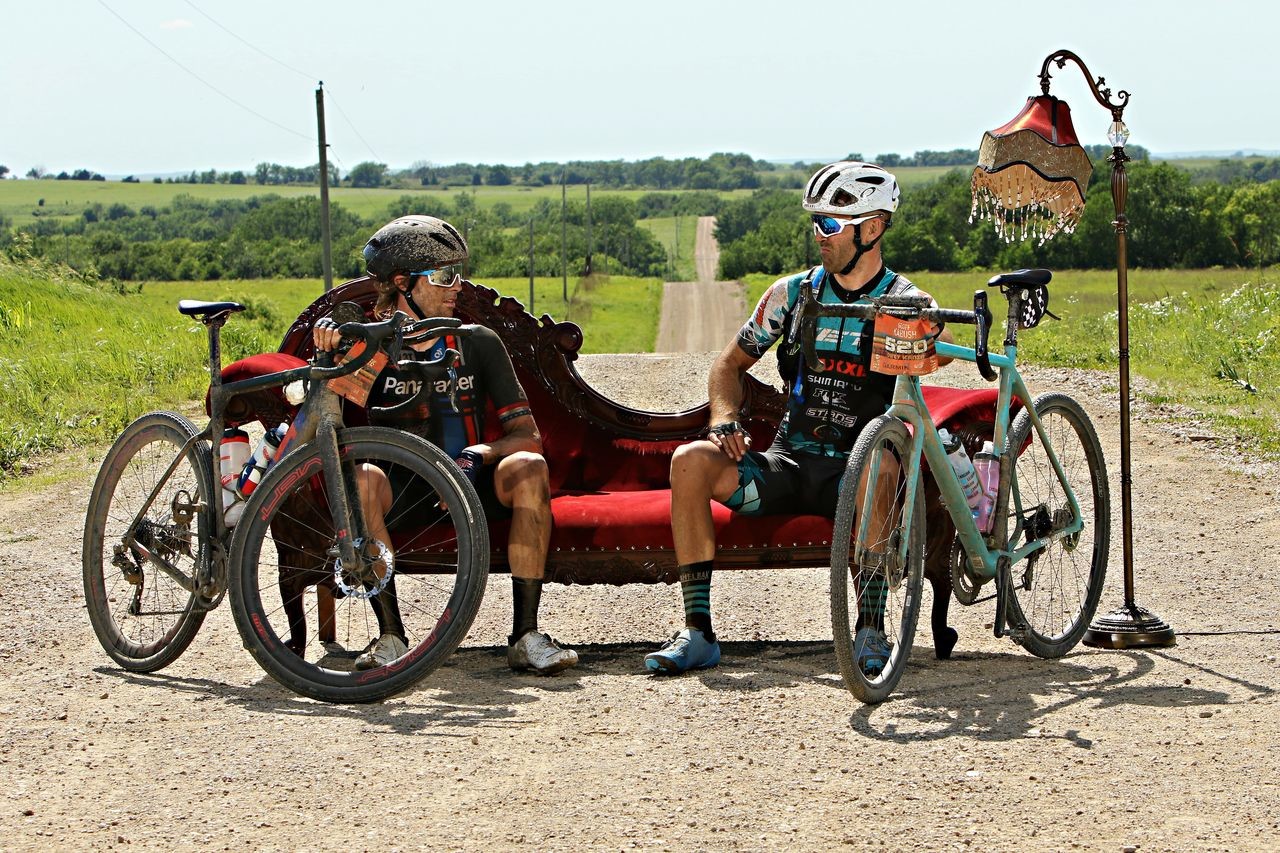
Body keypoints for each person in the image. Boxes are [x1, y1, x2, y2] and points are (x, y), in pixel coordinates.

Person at [645, 161, 954, 675]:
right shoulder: (791, 295)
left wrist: (923, 340)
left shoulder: (906, 300)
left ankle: (871, 630)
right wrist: (724, 418)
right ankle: (697, 633)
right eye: (815, 223)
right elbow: (729, 365)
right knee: (688, 461)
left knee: (880, 469)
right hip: (789, 466)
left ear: (872, 228)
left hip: (858, 474)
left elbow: (935, 353)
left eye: (830, 224)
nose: (819, 235)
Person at [313, 215, 578, 675]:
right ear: (403, 283)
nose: (459, 287)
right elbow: (322, 422)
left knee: (531, 468)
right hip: (404, 488)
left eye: (459, 274)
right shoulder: (371, 345)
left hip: (472, 478)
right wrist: (327, 349)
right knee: (362, 480)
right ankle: (392, 637)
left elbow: (527, 436)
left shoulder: (477, 341)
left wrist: (483, 453)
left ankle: (526, 636)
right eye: (444, 275)